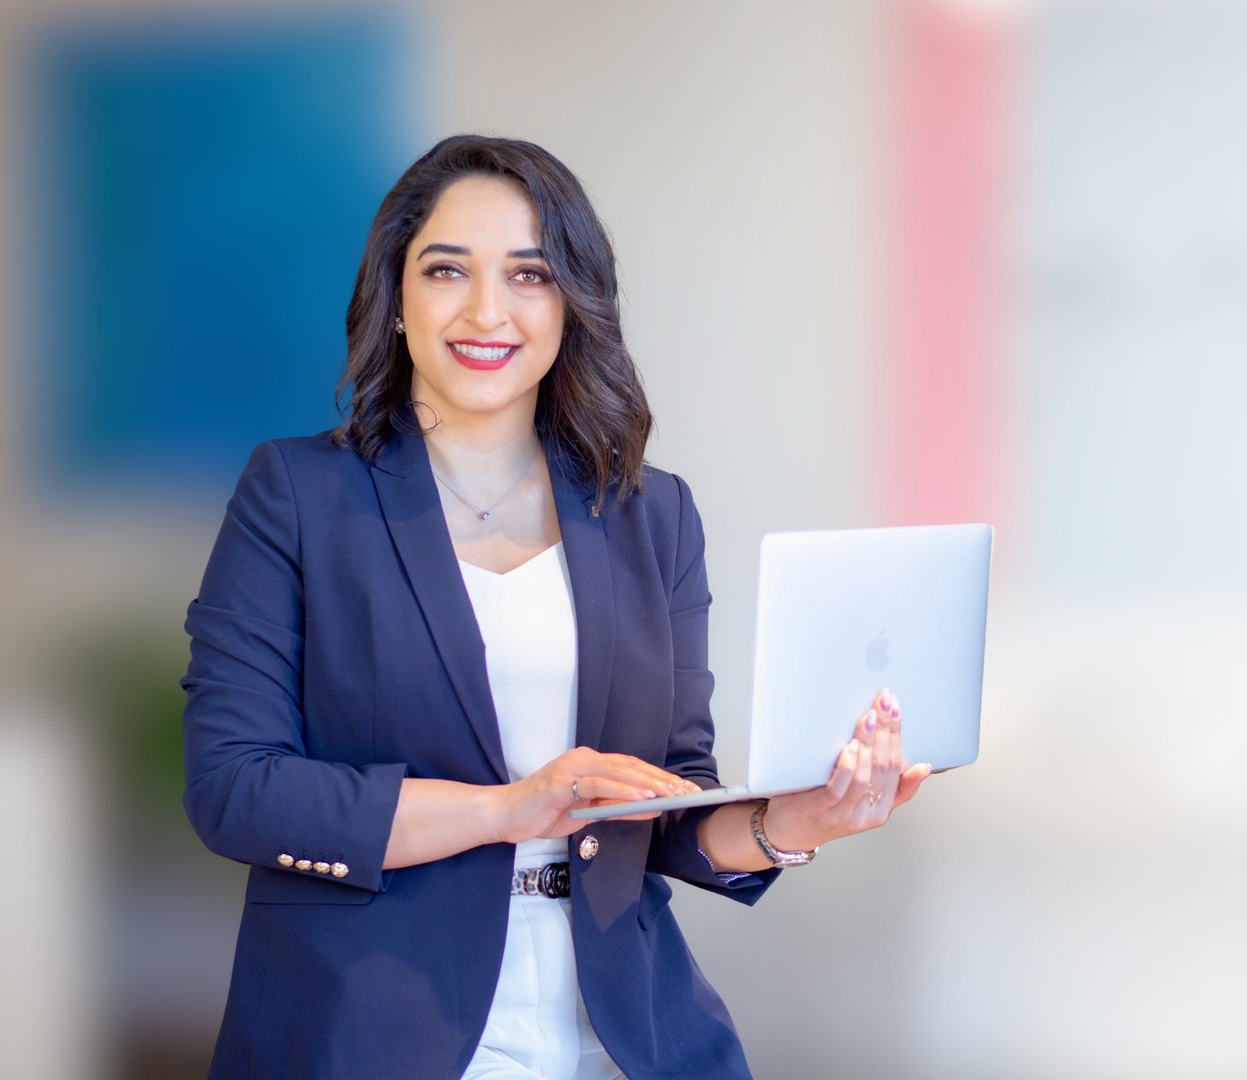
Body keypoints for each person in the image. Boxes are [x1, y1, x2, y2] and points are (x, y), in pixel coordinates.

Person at [180, 134, 932, 1080]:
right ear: (396, 300)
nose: (487, 310)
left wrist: (803, 821)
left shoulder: (652, 513)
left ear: (572, 304)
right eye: (447, 269)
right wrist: (512, 808)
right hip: (375, 1026)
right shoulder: (297, 494)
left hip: (621, 1032)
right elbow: (235, 790)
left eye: (529, 274)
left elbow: (667, 806)